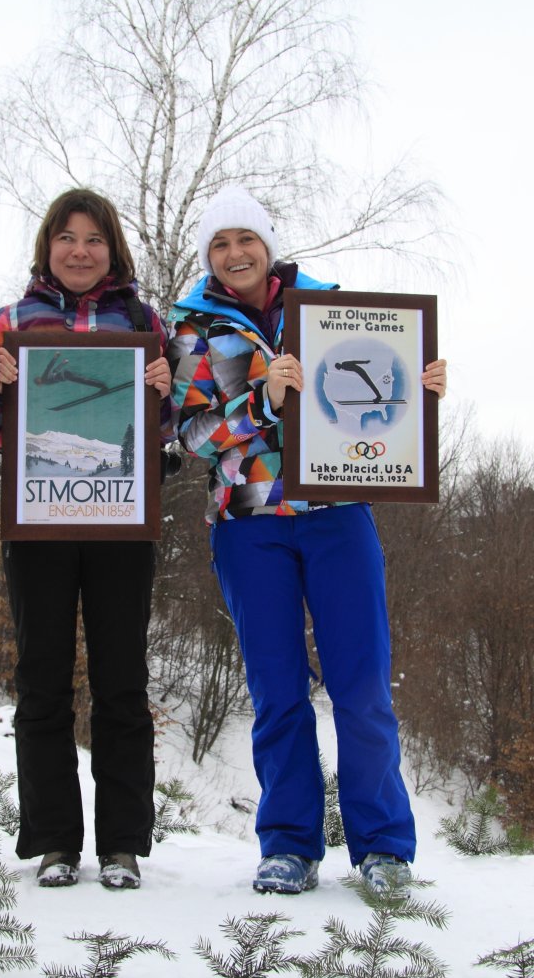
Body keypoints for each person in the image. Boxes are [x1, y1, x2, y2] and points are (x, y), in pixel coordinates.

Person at [166, 185, 447, 897]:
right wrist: (262, 398)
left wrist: (420, 388)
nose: (235, 255)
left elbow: (375, 397)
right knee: (277, 690)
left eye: (246, 240)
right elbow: (191, 432)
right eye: (220, 245)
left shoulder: (329, 309)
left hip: (337, 510)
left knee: (361, 684)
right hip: (249, 521)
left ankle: (382, 846)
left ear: (268, 245)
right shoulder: (196, 328)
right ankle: (289, 843)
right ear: (209, 257)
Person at [0, 188, 172, 891]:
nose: (80, 251)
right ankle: (56, 841)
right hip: (39, 524)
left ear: (112, 249)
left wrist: (165, 388)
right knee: (42, 682)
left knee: (122, 683)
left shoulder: (146, 321)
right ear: (47, 246)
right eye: (66, 237)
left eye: (94, 238)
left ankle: (122, 844)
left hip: (123, 526)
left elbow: (173, 430)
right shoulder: (11, 321)